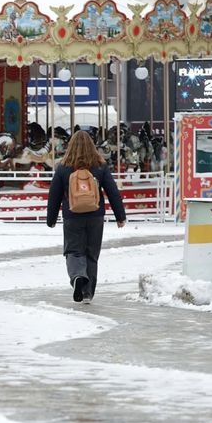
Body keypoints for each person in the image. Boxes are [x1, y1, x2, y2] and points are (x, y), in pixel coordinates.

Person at [46, 130, 126, 303]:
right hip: (95, 216)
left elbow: (54, 195)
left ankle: (77, 277)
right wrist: (120, 216)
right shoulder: (100, 166)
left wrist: (51, 219)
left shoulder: (63, 167)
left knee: (74, 251)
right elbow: (113, 192)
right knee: (91, 254)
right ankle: (87, 293)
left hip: (72, 216)